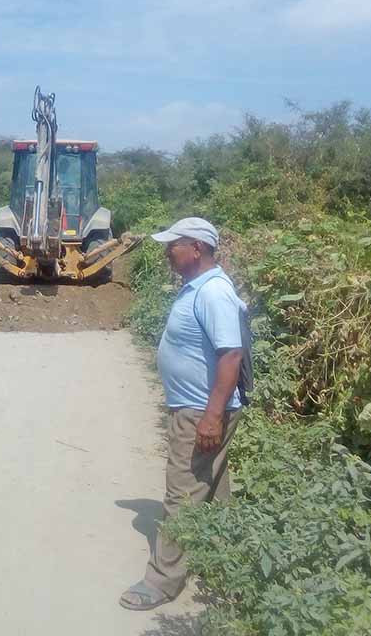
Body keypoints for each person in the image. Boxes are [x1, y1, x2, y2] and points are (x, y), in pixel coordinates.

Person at [120, 217, 246, 611]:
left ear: (196, 247)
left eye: (173, 244)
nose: (167, 251)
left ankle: (162, 581)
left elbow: (231, 354)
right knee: (212, 487)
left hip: (200, 412)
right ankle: (228, 560)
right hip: (197, 408)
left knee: (181, 493)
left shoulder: (212, 294)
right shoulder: (198, 288)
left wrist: (211, 416)